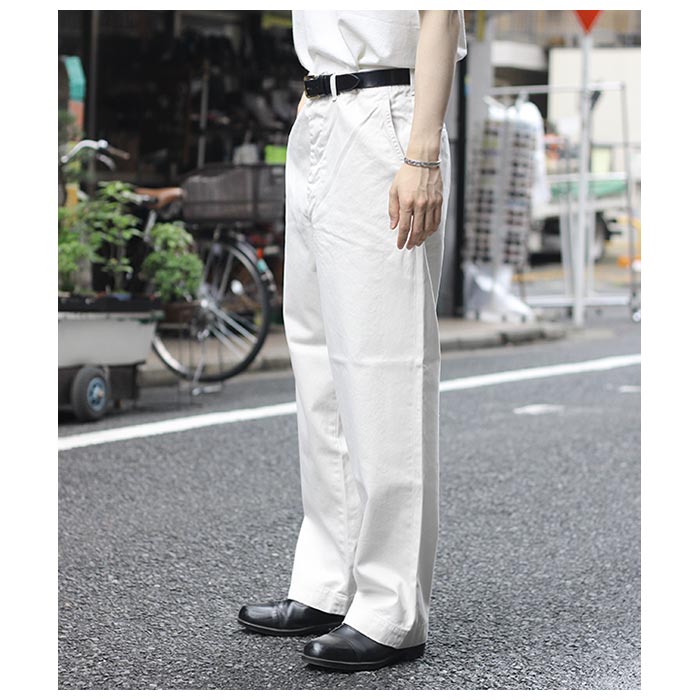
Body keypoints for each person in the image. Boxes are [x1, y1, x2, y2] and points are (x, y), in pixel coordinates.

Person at [238, 9, 468, 672]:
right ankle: (327, 584)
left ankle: (392, 608)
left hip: (388, 114)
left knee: (382, 368)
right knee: (321, 369)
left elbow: (441, 14)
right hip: (318, 111)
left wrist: (421, 153)